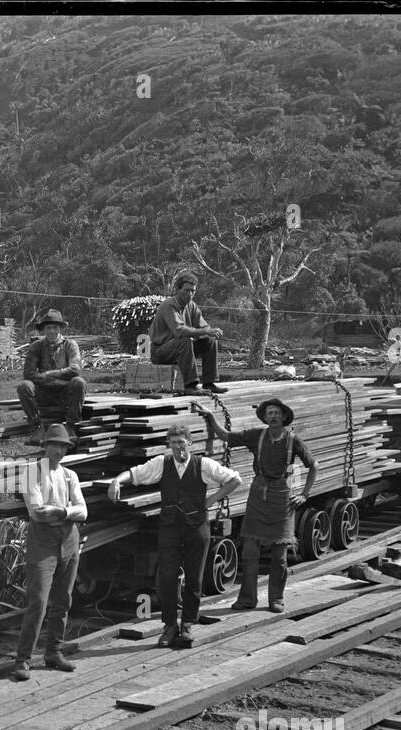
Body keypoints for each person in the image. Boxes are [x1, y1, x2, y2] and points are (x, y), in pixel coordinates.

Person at [107, 421, 241, 646]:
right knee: (167, 579)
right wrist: (116, 481)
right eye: (174, 443)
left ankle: (187, 624)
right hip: (170, 527)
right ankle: (169, 626)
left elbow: (235, 479)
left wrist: (211, 500)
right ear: (168, 444)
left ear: (189, 443)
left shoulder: (204, 464)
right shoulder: (162, 463)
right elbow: (137, 473)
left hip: (197, 528)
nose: (178, 447)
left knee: (195, 579)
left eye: (181, 442)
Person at [194, 397, 318, 613]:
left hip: (281, 498)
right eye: (269, 413)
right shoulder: (255, 436)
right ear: (265, 417)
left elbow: (314, 466)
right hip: (258, 496)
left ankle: (276, 599)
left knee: (279, 557)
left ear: (284, 417)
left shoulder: (293, 440)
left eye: (277, 413)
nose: (273, 416)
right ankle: (247, 599)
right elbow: (226, 436)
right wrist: (211, 416)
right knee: (250, 552)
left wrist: (305, 495)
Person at [11, 423, 88, 681]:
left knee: (63, 599)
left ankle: (54, 652)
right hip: (43, 542)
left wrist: (61, 512)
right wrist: (66, 511)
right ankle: (22, 660)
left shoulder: (70, 475)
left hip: (69, 540)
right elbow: (37, 513)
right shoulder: (32, 473)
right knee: (39, 601)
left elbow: (83, 511)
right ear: (45, 446)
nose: (59, 450)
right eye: (55, 445)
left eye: (64, 446)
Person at [148, 271, 229, 393]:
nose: (190, 294)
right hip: (160, 352)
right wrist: (206, 331)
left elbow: (204, 327)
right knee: (184, 340)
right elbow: (179, 331)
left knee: (210, 340)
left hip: (180, 350)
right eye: (186, 290)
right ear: (177, 289)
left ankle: (209, 383)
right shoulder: (168, 305)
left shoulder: (192, 306)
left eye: (193, 291)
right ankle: (190, 385)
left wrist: (210, 332)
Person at [17, 309, 87, 445]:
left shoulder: (70, 345)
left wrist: (50, 374)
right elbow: (28, 373)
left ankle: (70, 426)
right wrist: (49, 379)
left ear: (60, 328)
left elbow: (75, 369)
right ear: (43, 329)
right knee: (24, 386)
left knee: (79, 382)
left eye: (54, 327)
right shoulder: (36, 346)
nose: (51, 331)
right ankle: (37, 427)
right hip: (43, 393)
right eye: (48, 328)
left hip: (64, 393)